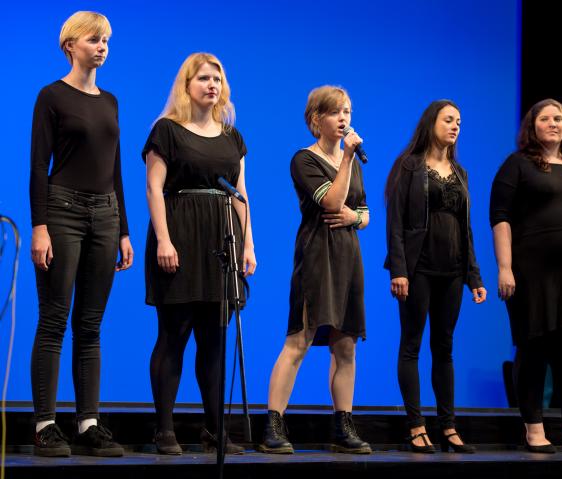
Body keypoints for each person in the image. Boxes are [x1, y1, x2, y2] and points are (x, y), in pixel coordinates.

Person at [29, 11, 133, 458]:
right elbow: (38, 165)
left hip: (106, 216)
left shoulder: (110, 101)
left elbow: (116, 168)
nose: (102, 46)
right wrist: (40, 226)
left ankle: (88, 423)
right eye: (94, 39)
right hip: (63, 210)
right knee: (55, 319)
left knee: (90, 325)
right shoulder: (51, 96)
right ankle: (45, 425)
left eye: (106, 40)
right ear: (71, 45)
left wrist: (125, 231)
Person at [143, 52, 255, 455]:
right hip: (180, 234)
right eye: (204, 78)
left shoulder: (232, 137)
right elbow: (155, 188)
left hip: (220, 240)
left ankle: (213, 429)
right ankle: (165, 429)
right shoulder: (167, 131)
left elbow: (241, 195)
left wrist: (248, 244)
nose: (212, 85)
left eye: (218, 79)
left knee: (215, 340)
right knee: (174, 335)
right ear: (187, 85)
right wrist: (165, 240)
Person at [259, 85, 371, 455]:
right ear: (315, 120)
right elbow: (332, 200)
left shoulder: (350, 162)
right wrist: (347, 161)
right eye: (336, 112)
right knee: (299, 340)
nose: (344, 119)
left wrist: (355, 217)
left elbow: (362, 212)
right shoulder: (303, 160)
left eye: (348, 112)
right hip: (317, 256)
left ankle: (343, 424)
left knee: (345, 345)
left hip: (348, 257)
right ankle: (274, 423)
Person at [489, 98, 562, 454]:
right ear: (531, 127)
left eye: (559, 118)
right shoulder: (517, 165)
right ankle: (534, 430)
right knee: (534, 346)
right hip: (534, 272)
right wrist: (505, 268)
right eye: (545, 119)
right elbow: (500, 217)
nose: (554, 124)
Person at [384, 100, 487, 453]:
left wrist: (474, 276)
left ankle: (448, 426)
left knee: (444, 348)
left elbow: (467, 228)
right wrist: (399, 269)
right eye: (448, 120)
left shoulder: (460, 172)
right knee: (411, 344)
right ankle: (416, 425)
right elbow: (395, 223)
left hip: (453, 271)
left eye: (459, 121)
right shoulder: (409, 167)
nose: (455, 126)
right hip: (418, 269)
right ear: (431, 123)